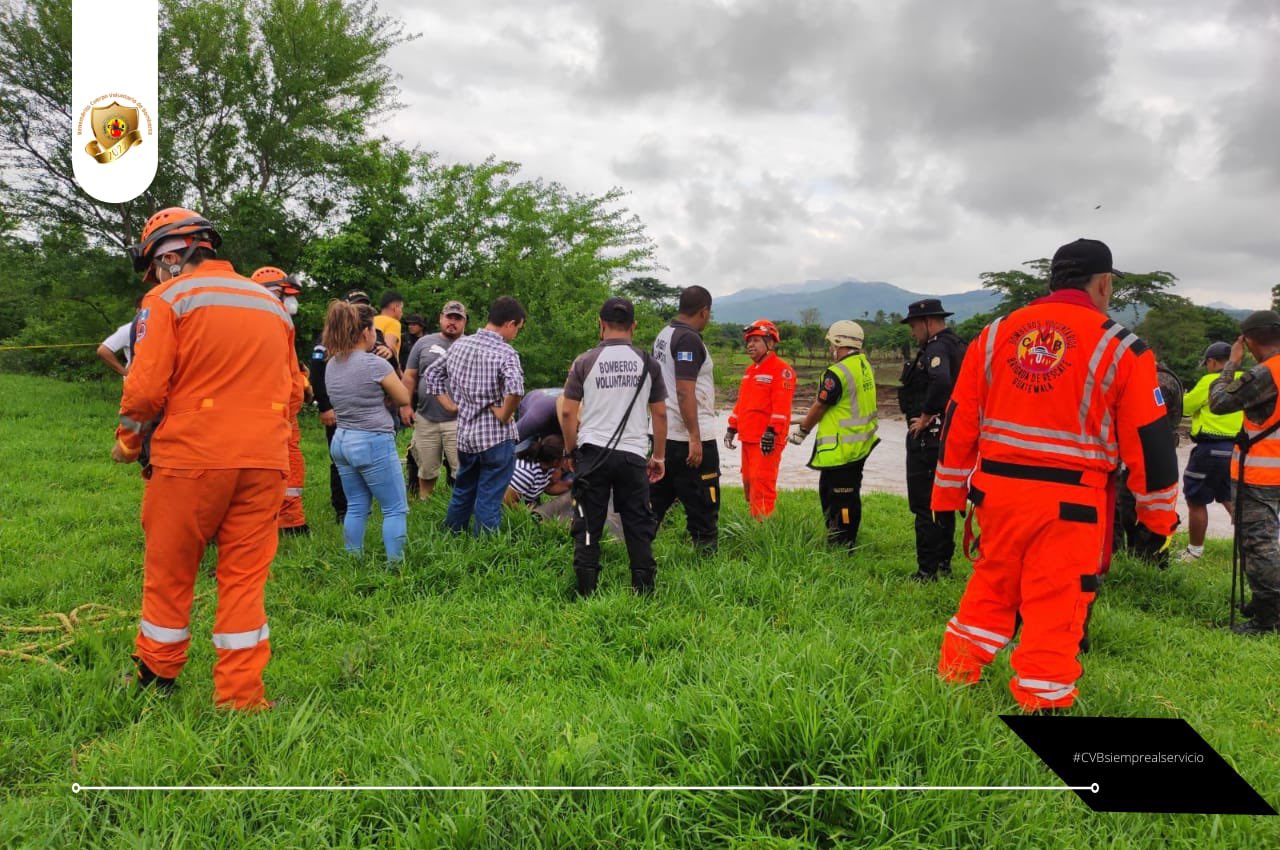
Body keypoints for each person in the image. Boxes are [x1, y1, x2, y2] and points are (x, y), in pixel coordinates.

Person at [931, 238, 1179, 711]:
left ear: (1052, 280)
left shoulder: (995, 333)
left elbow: (959, 421)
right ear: (1104, 284)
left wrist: (946, 497)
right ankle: (1041, 706)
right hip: (1071, 508)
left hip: (997, 498)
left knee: (990, 588)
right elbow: (1152, 448)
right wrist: (1157, 520)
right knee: (1056, 607)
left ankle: (953, 680)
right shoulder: (1122, 348)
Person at [112, 206, 296, 711]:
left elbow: (145, 392)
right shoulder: (272, 306)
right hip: (265, 460)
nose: (155, 275)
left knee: (172, 571)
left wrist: (128, 443)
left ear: (171, 255)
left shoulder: (167, 299)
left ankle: (156, 675)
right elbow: (294, 391)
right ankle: (241, 697)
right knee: (244, 579)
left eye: (155, 265)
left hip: (190, 459)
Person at [560, 297, 667, 596]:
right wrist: (658, 456)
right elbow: (659, 413)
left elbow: (568, 412)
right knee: (637, 521)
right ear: (633, 325)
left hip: (592, 453)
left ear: (601, 323)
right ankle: (643, 591)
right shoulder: (649, 363)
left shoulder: (584, 361)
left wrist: (571, 452)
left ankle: (586, 591)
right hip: (633, 455)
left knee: (588, 523)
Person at [424, 296, 526, 534]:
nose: (515, 334)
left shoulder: (460, 345)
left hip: (466, 435)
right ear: (510, 323)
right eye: (518, 329)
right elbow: (516, 390)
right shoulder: (506, 352)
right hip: (495, 438)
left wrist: (449, 406)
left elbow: (431, 374)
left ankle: (452, 534)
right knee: (489, 497)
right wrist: (503, 414)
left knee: (463, 490)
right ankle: (485, 548)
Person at [322, 300, 413, 562]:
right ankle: (396, 565)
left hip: (342, 440)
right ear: (365, 332)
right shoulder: (375, 365)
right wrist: (392, 361)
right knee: (395, 508)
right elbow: (404, 397)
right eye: (374, 330)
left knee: (357, 505)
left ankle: (354, 559)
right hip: (371, 440)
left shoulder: (332, 363)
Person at [1208, 312, 1280, 634]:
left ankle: (1269, 619)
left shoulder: (1266, 372)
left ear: (1248, 341)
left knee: (1259, 545)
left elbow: (1219, 402)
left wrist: (1230, 364)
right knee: (1263, 542)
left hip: (1261, 475)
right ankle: (1265, 602)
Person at [789, 321, 879, 547]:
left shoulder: (836, 373)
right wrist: (806, 417)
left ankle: (843, 544)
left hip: (842, 449)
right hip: (860, 443)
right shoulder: (863, 364)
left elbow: (820, 406)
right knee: (836, 493)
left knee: (841, 499)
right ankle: (839, 537)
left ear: (839, 343)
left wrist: (802, 431)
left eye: (831, 344)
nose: (830, 349)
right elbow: (840, 405)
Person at [311, 290, 397, 523]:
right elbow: (317, 373)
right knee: (341, 462)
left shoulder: (374, 333)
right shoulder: (329, 338)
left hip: (369, 413)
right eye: (357, 305)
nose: (360, 309)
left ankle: (362, 506)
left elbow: (392, 368)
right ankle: (342, 507)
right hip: (341, 412)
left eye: (365, 305)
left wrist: (389, 354)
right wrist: (324, 407)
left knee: (360, 463)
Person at [898, 298, 967, 580]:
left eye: (914, 327)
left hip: (929, 438)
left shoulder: (937, 347)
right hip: (950, 437)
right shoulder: (957, 345)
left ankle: (927, 570)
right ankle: (943, 564)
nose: (913, 333)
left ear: (928, 323)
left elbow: (941, 381)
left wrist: (926, 416)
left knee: (924, 505)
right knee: (943, 502)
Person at [650, 285, 720, 553]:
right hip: (686, 435)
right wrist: (695, 436)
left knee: (657, 498)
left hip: (664, 435)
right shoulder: (689, 339)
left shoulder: (664, 334)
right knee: (704, 501)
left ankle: (638, 549)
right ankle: (706, 562)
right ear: (704, 312)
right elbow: (683, 389)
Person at [251, 266, 311, 536]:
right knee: (278, 466)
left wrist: (302, 382)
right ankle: (285, 521)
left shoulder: (278, 324)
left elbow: (289, 368)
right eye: (286, 294)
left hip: (281, 409)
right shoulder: (263, 325)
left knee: (286, 465)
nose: (292, 302)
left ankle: (285, 518)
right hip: (273, 411)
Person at [1113, 359, 1183, 568]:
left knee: (1149, 515)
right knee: (1128, 509)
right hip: (1145, 454)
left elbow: (1145, 418)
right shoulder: (1157, 377)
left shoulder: (1158, 381)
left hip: (1152, 457)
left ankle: (1150, 565)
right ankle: (1133, 560)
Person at [1177, 342, 1242, 562]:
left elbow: (1185, 408)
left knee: (1196, 500)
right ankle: (1252, 549)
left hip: (1210, 448)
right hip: (1237, 450)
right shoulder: (1247, 379)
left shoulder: (1210, 380)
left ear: (1212, 362)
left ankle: (1194, 551)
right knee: (1229, 497)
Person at [725, 319, 795, 519]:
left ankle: (762, 533)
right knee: (749, 483)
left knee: (762, 485)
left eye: (756, 340)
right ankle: (756, 521)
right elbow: (742, 403)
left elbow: (781, 407)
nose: (750, 345)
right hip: (747, 437)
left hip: (767, 439)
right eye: (748, 341)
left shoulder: (781, 370)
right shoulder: (750, 371)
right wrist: (732, 427)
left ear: (770, 343)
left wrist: (772, 431)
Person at [403, 301, 468, 501]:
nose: (452, 322)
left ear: (464, 323)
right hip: (425, 417)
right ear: (441, 318)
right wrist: (405, 405)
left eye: (458, 319)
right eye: (449, 317)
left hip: (459, 419)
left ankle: (460, 507)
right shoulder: (423, 343)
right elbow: (410, 376)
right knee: (427, 468)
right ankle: (425, 503)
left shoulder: (471, 345)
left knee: (461, 469)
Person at [505, 434, 572, 507]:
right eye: (565, 457)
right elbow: (507, 500)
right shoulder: (526, 473)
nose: (566, 460)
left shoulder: (547, 468)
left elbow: (548, 488)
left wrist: (571, 485)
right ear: (555, 461)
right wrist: (529, 513)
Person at [374, 290, 404, 359]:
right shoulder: (394, 323)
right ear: (395, 308)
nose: (402, 312)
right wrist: (398, 368)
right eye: (401, 308)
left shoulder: (371, 320)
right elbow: (389, 346)